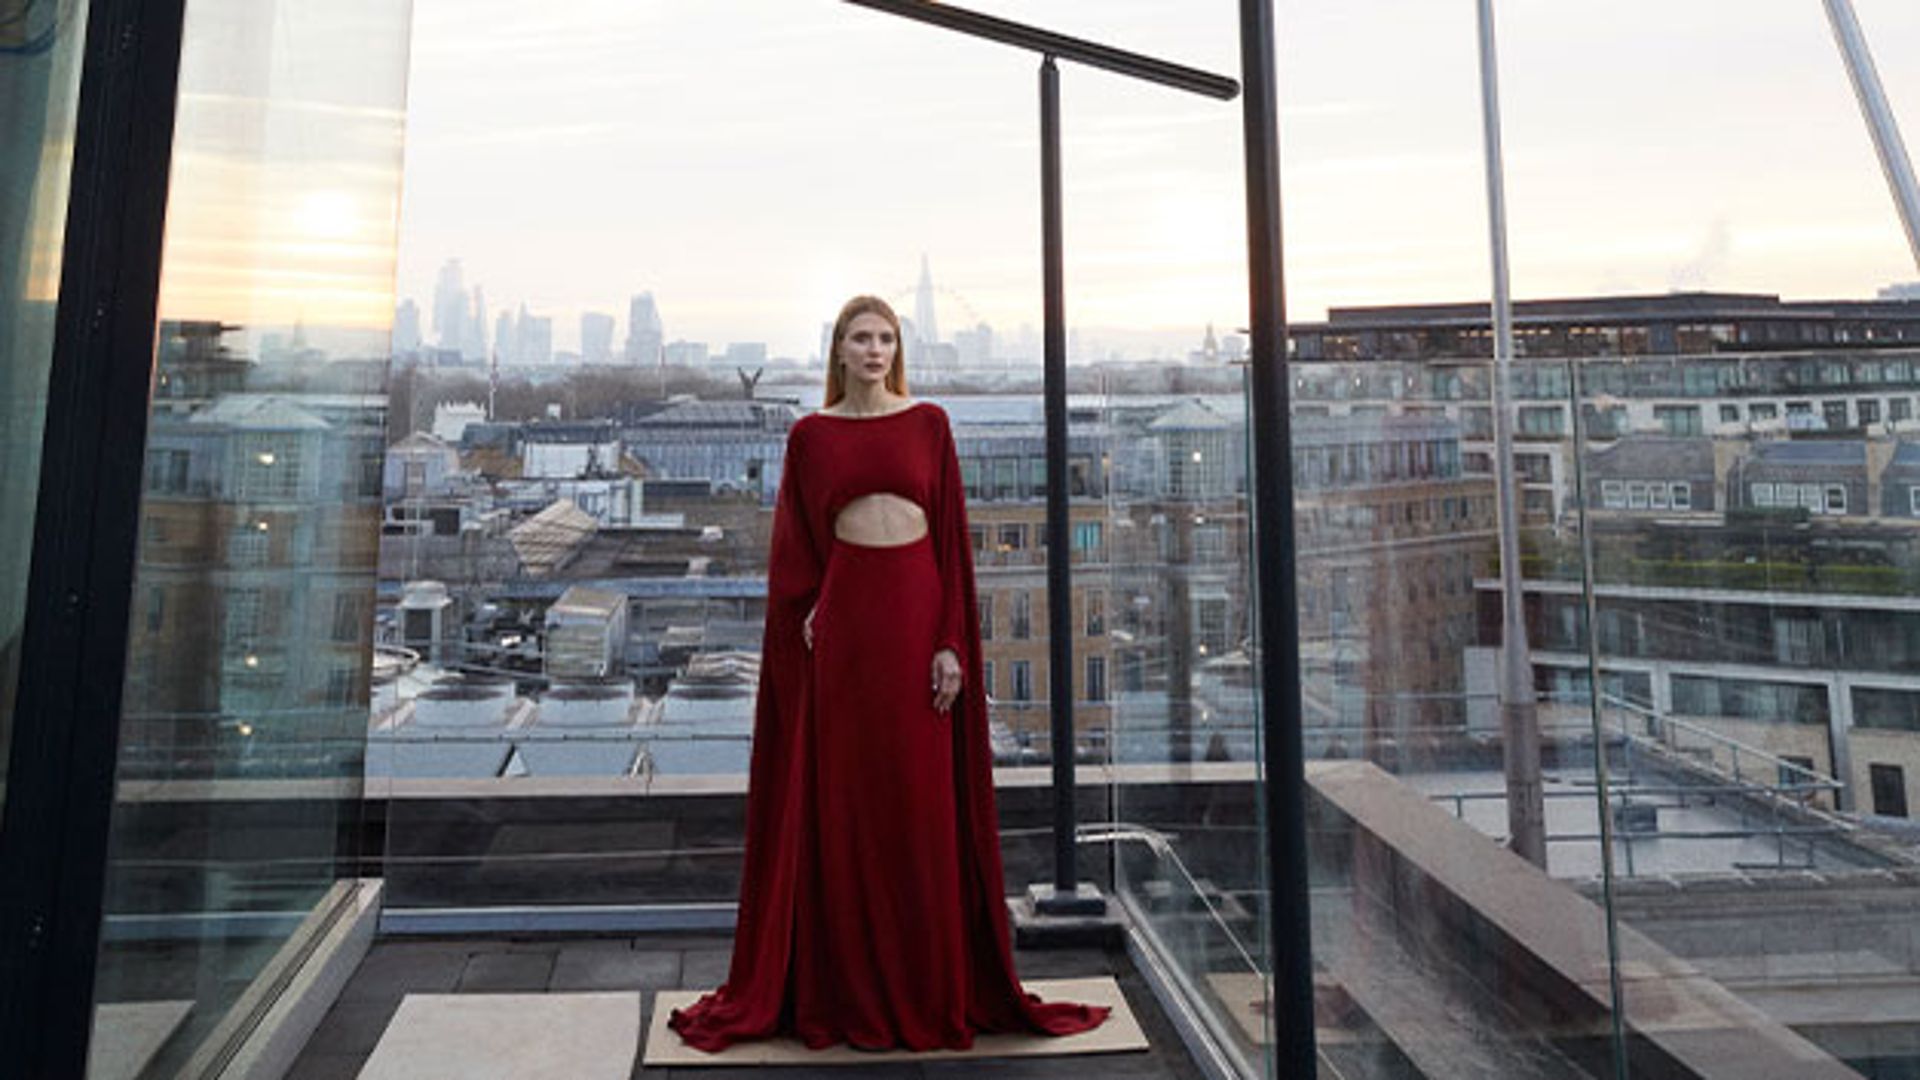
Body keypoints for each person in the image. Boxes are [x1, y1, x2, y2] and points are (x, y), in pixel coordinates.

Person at [668, 295, 1110, 1052]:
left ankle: (925, 983)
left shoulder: (930, 424)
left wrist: (951, 643)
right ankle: (846, 987)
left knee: (918, 804)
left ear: (896, 350)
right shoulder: (810, 436)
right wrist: (812, 605)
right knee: (848, 806)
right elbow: (795, 544)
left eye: (886, 339)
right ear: (838, 351)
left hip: (915, 620)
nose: (874, 350)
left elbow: (951, 547)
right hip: (847, 629)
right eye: (860, 338)